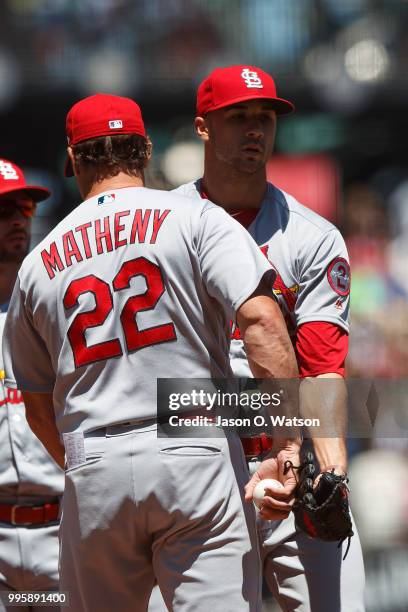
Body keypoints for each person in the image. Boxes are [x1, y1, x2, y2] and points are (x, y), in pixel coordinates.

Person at [2, 93, 299, 612]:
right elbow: (263, 323)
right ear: (144, 150)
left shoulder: (39, 261)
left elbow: (36, 403)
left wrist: (84, 462)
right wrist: (289, 442)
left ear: (72, 161)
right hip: (193, 448)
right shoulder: (194, 218)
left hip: (94, 462)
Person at [173, 65, 366, 612]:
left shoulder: (311, 236)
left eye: (265, 117)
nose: (256, 129)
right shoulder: (166, 225)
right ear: (204, 127)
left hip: (290, 458)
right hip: (198, 467)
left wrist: (330, 473)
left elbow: (323, 365)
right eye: (238, 117)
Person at [0, 159, 64, 610]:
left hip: (63, 528)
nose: (18, 220)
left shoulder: (59, 305)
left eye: (23, 209)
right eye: (3, 211)